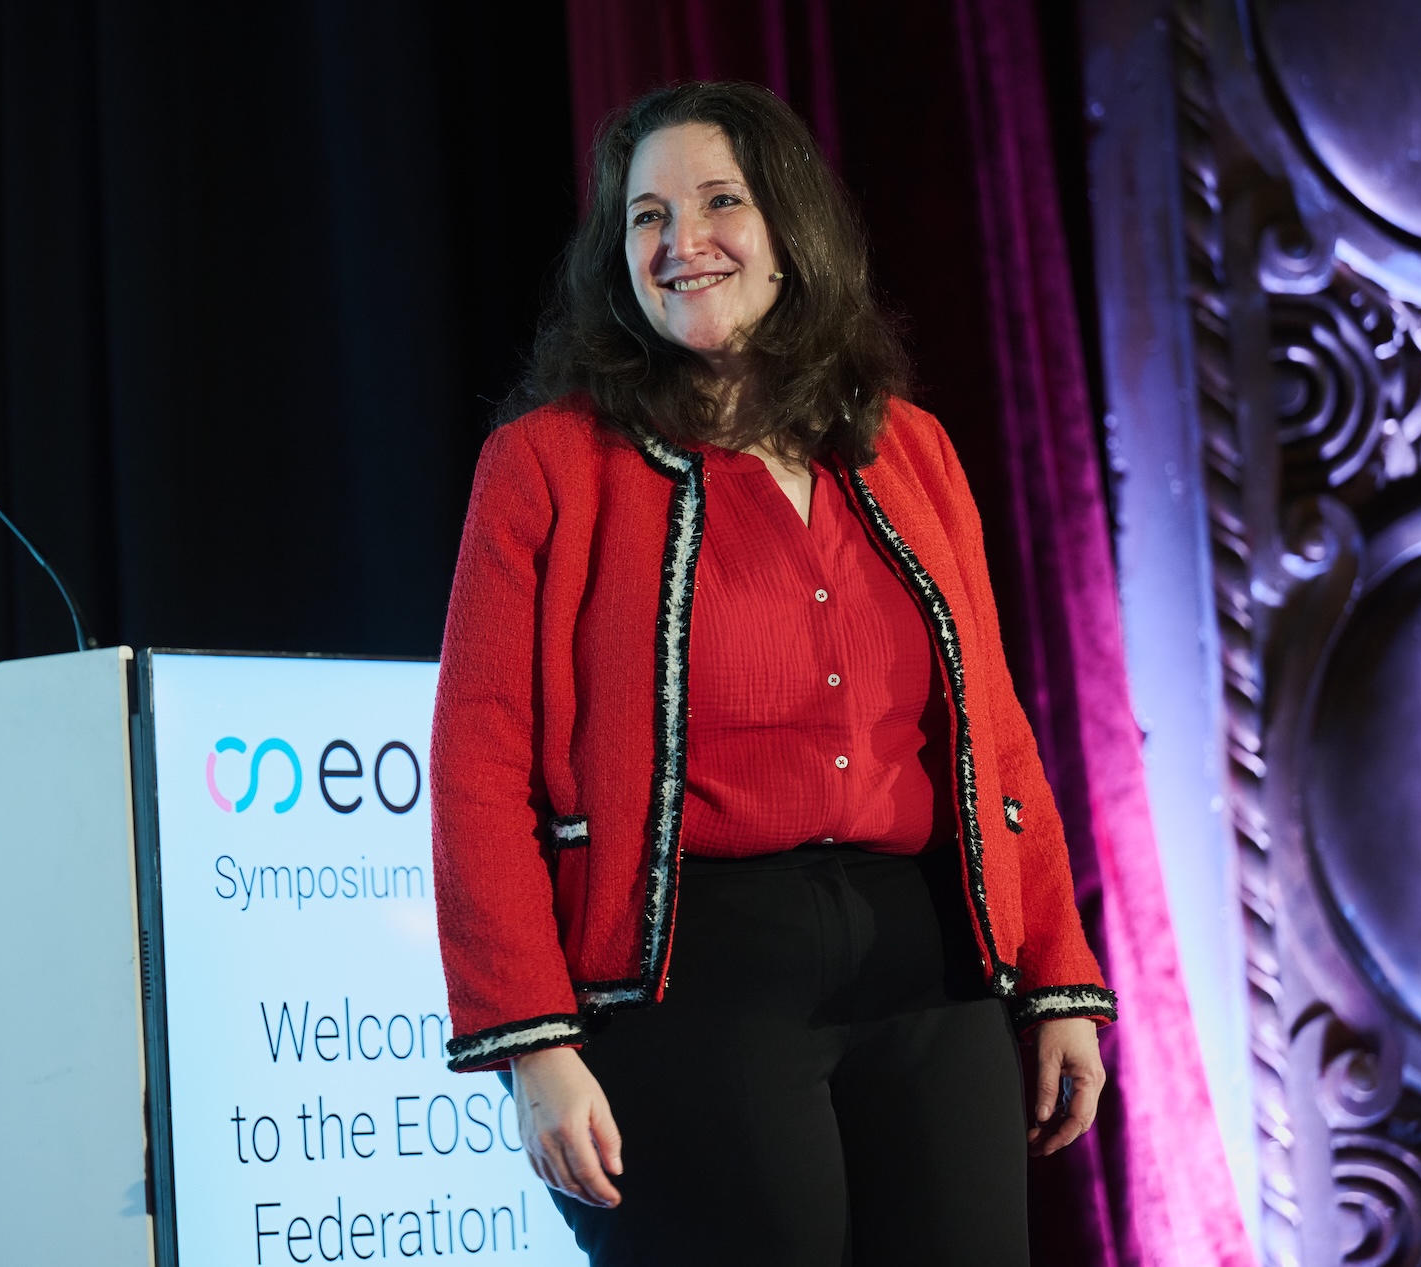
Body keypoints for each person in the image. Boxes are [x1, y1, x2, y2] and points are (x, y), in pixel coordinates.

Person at [429, 81, 1113, 1266]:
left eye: (718, 202)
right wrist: (534, 1046)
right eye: (646, 216)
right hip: (691, 977)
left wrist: (1059, 978)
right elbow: (477, 767)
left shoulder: (908, 447)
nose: (680, 242)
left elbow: (993, 733)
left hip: (928, 963)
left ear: (791, 235)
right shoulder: (546, 464)